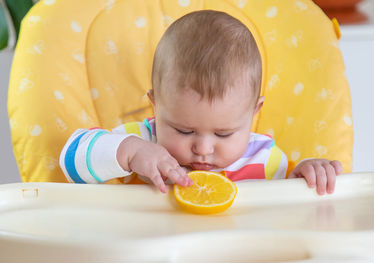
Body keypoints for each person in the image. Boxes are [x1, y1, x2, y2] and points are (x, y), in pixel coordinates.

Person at [59, 10, 342, 195]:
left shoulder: (266, 161)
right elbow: (69, 160)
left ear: (254, 112)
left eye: (224, 133)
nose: (203, 149)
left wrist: (306, 175)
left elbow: (292, 214)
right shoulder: (143, 141)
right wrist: (129, 153)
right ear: (155, 104)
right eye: (184, 130)